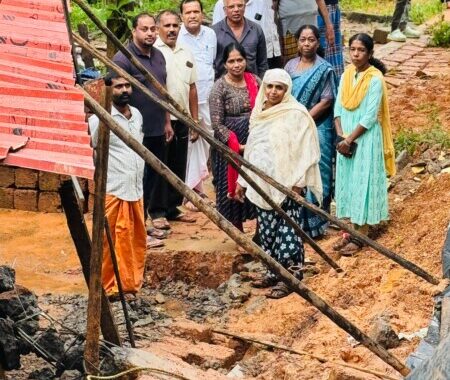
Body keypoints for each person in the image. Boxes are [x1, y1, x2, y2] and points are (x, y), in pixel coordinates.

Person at [235, 68, 322, 298]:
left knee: (288, 232)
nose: (273, 92)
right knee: (267, 231)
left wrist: (297, 185)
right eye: (270, 86)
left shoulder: (296, 114)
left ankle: (290, 277)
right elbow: (253, 149)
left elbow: (306, 152)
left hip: (286, 183)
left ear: (287, 90)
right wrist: (243, 181)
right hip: (262, 184)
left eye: (279, 87)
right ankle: (273, 272)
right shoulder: (259, 112)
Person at [112, 12, 172, 247]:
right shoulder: (123, 59)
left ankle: (142, 223)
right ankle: (136, 231)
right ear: (134, 31)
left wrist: (167, 121)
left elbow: (163, 90)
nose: (149, 33)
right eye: (144, 29)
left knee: (151, 178)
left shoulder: (158, 55)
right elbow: (118, 93)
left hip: (157, 126)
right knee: (136, 178)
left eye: (152, 29)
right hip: (136, 130)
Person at [333, 33, 396, 256]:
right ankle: (351, 230)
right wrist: (341, 137)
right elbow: (338, 108)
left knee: (363, 182)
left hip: (364, 137)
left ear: (370, 53)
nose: (356, 54)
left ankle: (362, 235)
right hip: (346, 138)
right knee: (349, 182)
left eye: (361, 50)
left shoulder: (375, 79)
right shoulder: (346, 75)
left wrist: (350, 139)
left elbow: (370, 117)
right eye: (353, 49)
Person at [88, 73, 146, 298]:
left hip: (135, 188)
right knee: (110, 240)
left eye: (127, 86)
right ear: (108, 90)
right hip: (114, 188)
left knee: (133, 239)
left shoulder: (137, 115)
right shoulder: (99, 119)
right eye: (119, 86)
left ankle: (129, 282)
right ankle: (109, 286)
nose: (124, 90)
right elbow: (91, 148)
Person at [284, 25, 337, 239]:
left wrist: (304, 118)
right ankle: (296, 220)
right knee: (294, 170)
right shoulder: (289, 67)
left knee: (318, 168)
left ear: (318, 42)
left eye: (311, 40)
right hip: (292, 126)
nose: (307, 44)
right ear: (297, 42)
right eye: (303, 39)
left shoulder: (325, 69)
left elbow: (327, 100)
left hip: (317, 126)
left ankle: (317, 222)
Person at [153, 10, 199, 226]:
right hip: (162, 119)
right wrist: (166, 119)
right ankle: (158, 212)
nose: (172, 29)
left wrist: (194, 121)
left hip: (183, 118)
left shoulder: (186, 51)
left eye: (175, 25)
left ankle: (172, 207)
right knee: (160, 165)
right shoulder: (153, 52)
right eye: (167, 25)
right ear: (158, 28)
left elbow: (192, 87)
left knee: (178, 165)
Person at [209, 43, 259, 231]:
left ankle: (260, 232)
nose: (237, 65)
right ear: (224, 64)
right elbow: (217, 124)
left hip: (256, 140)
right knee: (231, 186)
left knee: (255, 183)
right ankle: (236, 230)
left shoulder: (254, 81)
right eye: (231, 61)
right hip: (230, 145)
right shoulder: (219, 88)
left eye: (240, 60)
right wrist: (236, 145)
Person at [178, 0, 217, 210]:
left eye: (196, 12)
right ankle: (192, 191)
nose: (192, 16)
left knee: (206, 140)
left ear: (202, 14)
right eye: (188, 12)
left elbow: (211, 64)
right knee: (191, 143)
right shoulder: (178, 37)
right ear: (182, 16)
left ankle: (198, 186)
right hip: (186, 99)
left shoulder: (210, 35)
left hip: (208, 97)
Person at [213, 0, 282, 68]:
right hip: (226, 68)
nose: (236, 9)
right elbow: (217, 35)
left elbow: (262, 64)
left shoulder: (256, 28)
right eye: (231, 7)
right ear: (225, 9)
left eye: (240, 6)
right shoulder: (221, 4)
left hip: (256, 62)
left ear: (244, 7)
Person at [317, 0, 344, 76]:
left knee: (332, 47)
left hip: (332, 7)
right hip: (323, 9)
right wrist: (328, 23)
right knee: (324, 49)